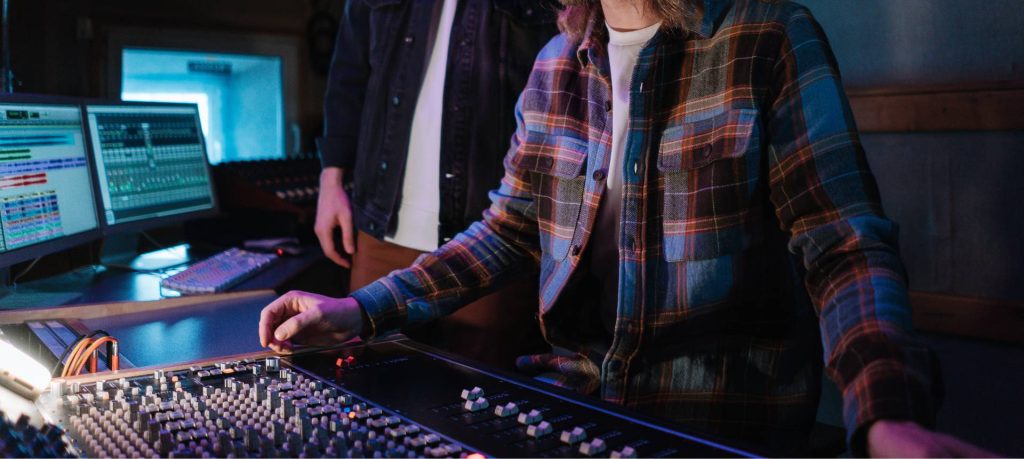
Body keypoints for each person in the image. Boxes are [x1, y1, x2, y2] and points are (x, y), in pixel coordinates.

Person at [266, 0, 997, 455]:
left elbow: (842, 247)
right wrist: (360, 308)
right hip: (572, 416)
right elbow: (507, 230)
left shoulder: (769, 38)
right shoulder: (555, 67)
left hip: (720, 430)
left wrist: (885, 415)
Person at [313, 0, 559, 367]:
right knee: (370, 386)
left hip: (489, 238)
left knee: (475, 402)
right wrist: (331, 178)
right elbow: (349, 74)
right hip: (381, 230)